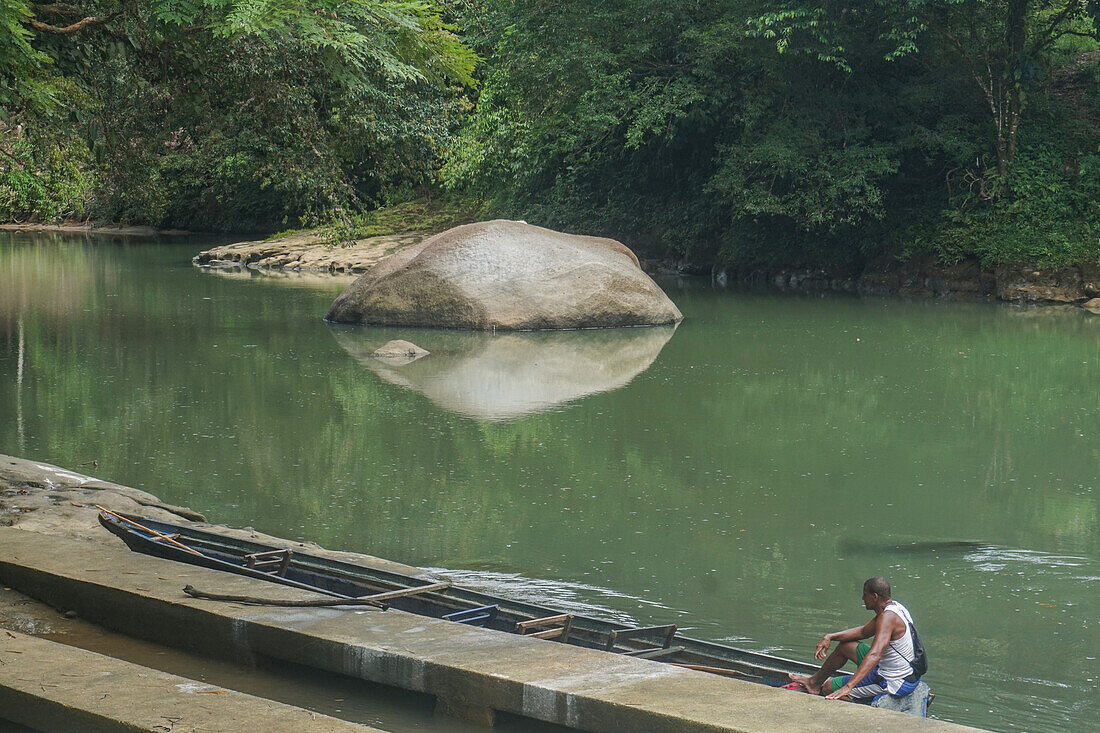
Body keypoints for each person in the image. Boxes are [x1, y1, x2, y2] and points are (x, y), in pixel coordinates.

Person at [788, 577, 922, 702]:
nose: (862, 598)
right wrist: (829, 637)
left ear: (874, 597)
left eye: (865, 594)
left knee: (828, 687)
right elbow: (863, 632)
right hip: (903, 671)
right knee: (845, 646)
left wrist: (848, 686)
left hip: (894, 681)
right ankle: (813, 683)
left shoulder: (886, 618)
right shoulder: (894, 608)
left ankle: (869, 702)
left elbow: (875, 654)